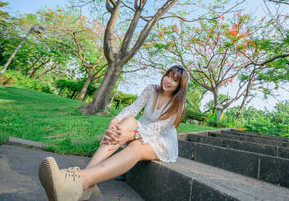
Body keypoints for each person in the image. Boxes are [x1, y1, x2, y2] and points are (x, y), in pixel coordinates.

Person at [38, 65, 188, 201]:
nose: (168, 80)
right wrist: (114, 123)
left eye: (174, 80)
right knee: (128, 120)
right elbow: (132, 109)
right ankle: (81, 187)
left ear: (180, 86)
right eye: (168, 75)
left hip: (160, 141)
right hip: (140, 129)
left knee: (136, 147)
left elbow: (155, 129)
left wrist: (130, 135)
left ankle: (79, 180)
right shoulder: (152, 90)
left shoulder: (179, 104)